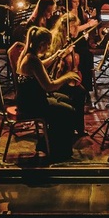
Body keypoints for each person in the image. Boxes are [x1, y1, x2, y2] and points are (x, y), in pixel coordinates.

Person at [15, 25, 82, 162]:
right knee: (68, 111)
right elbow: (49, 86)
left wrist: (55, 56)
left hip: (30, 99)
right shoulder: (32, 60)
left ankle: (50, 143)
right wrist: (67, 77)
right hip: (32, 104)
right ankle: (57, 150)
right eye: (48, 44)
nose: (49, 47)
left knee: (67, 100)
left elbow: (41, 65)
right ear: (41, 44)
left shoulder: (29, 55)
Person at [48, 11, 90, 137]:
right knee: (79, 93)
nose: (76, 29)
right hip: (56, 78)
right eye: (74, 27)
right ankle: (74, 127)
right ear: (67, 26)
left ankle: (76, 127)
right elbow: (52, 62)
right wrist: (63, 54)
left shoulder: (68, 39)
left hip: (64, 76)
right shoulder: (56, 39)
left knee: (80, 91)